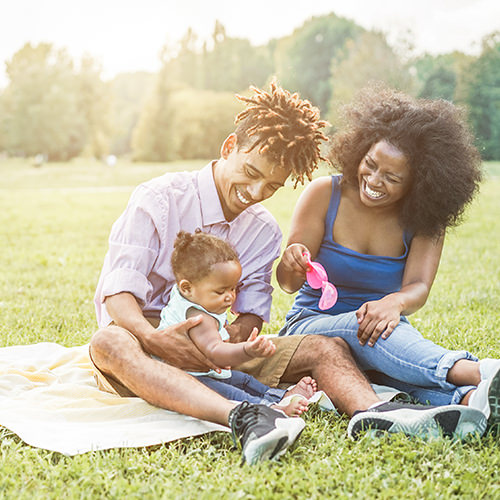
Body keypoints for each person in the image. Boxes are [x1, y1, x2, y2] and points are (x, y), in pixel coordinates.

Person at [90, 82, 486, 465]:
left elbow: (250, 314)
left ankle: (378, 413)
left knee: (325, 347)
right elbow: (118, 294)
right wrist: (155, 339)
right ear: (230, 147)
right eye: (250, 171)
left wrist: (233, 341)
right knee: (108, 342)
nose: (256, 192)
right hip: (144, 343)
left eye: (272, 186)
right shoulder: (158, 200)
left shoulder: (261, 230)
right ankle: (242, 416)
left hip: (218, 351)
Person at [276, 85, 500, 434]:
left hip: (384, 329)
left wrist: (393, 303)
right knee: (368, 326)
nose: (374, 181)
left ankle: (472, 402)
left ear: (417, 184)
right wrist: (291, 262)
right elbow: (288, 284)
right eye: (370, 164)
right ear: (359, 151)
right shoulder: (324, 194)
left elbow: (419, 288)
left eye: (391, 177)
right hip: (310, 326)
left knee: (401, 370)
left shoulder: (425, 219)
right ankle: (479, 371)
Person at [159, 229, 316, 417]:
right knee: (232, 393)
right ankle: (273, 410)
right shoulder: (198, 318)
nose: (230, 297)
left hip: (203, 371)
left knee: (243, 379)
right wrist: (247, 350)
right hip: (187, 380)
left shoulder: (190, 295)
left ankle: (282, 396)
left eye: (233, 288)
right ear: (187, 287)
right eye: (220, 291)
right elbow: (216, 353)